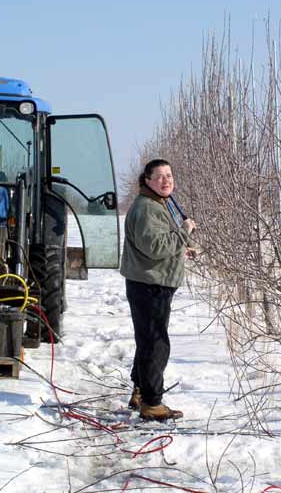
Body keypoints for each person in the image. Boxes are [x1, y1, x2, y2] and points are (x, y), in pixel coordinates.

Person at [121, 159, 196, 421]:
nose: (166, 180)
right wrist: (184, 232)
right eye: (160, 176)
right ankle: (152, 404)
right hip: (150, 284)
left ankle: (141, 391)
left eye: (170, 175)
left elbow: (157, 244)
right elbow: (154, 247)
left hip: (152, 281)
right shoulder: (147, 208)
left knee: (147, 340)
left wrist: (182, 249)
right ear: (147, 181)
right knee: (155, 343)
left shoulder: (156, 204)